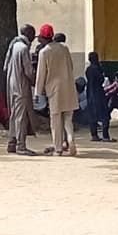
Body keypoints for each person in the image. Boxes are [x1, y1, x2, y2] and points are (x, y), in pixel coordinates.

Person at [35, 25, 79, 156]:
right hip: (69, 87)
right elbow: (71, 66)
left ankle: (58, 148)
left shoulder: (44, 52)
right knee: (68, 118)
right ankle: (70, 139)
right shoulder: (64, 49)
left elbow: (41, 74)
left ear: (43, 38)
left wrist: (38, 93)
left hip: (54, 90)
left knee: (55, 120)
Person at [5, 25, 37, 155]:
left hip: (11, 84)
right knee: (21, 117)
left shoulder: (14, 45)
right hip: (21, 86)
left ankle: (11, 142)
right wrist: (36, 82)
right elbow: (28, 71)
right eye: (33, 35)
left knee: (14, 114)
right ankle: (21, 145)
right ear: (28, 34)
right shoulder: (23, 48)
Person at [85, 52, 115, 143]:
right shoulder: (97, 69)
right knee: (105, 115)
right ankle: (105, 136)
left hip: (90, 93)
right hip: (98, 93)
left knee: (92, 115)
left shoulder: (88, 69)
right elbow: (101, 80)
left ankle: (94, 135)